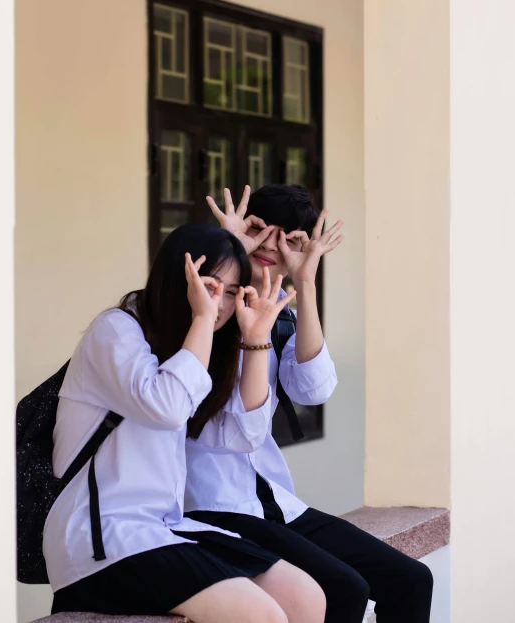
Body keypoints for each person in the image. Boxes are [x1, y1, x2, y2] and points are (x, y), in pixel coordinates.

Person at [44, 223, 326, 623]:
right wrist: (201, 320)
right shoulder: (116, 329)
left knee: (305, 597)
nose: (222, 304)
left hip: (165, 526)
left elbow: (239, 435)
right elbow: (169, 407)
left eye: (232, 292)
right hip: (102, 536)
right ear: (181, 277)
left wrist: (257, 339)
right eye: (211, 286)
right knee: (259, 615)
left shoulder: (189, 344)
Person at [185, 186, 433, 623]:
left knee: (411, 579)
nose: (272, 246)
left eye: (291, 240)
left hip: (273, 502)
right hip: (208, 504)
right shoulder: (203, 309)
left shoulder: (280, 317)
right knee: (343, 591)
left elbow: (314, 390)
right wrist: (230, 255)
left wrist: (304, 280)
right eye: (261, 230)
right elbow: (234, 428)